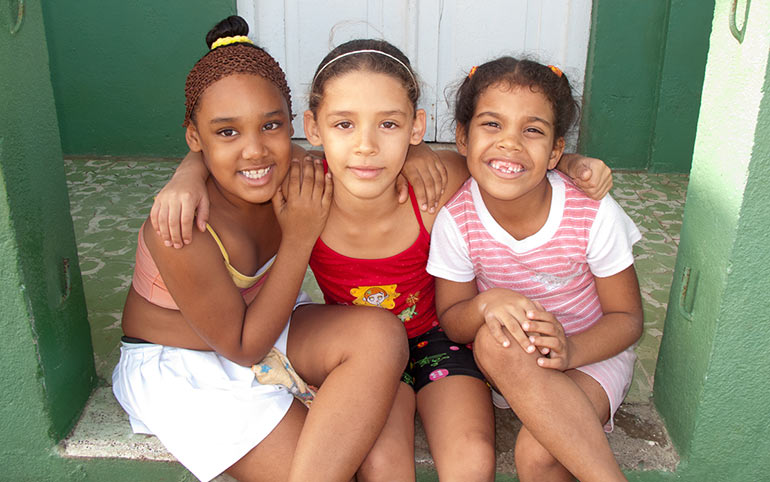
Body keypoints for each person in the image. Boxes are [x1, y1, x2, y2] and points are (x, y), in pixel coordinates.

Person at [154, 39, 614, 481]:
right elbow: (243, 155)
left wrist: (569, 164)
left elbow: (508, 160)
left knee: (473, 461)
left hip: (443, 344)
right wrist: (186, 174)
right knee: (380, 468)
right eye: (344, 125)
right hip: (365, 361)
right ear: (314, 128)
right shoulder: (303, 189)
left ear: (417, 127)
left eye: (388, 125)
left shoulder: (435, 186)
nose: (367, 146)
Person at [111, 16, 409, 482]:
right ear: (195, 137)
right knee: (317, 466)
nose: (255, 151)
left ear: (295, 125)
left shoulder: (293, 175)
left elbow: (366, 156)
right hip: (182, 363)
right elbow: (244, 347)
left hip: (267, 323)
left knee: (383, 336)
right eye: (227, 132)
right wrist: (298, 236)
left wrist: (422, 151)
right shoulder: (183, 223)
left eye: (271, 125)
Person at [427, 57, 643, 482]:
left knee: (538, 456)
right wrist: (486, 303)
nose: (510, 143)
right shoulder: (458, 219)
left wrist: (572, 351)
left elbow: (628, 319)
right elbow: (453, 321)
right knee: (491, 337)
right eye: (492, 124)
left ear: (556, 152)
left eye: (532, 130)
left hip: (592, 354)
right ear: (462, 139)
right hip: (512, 363)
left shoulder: (592, 213)